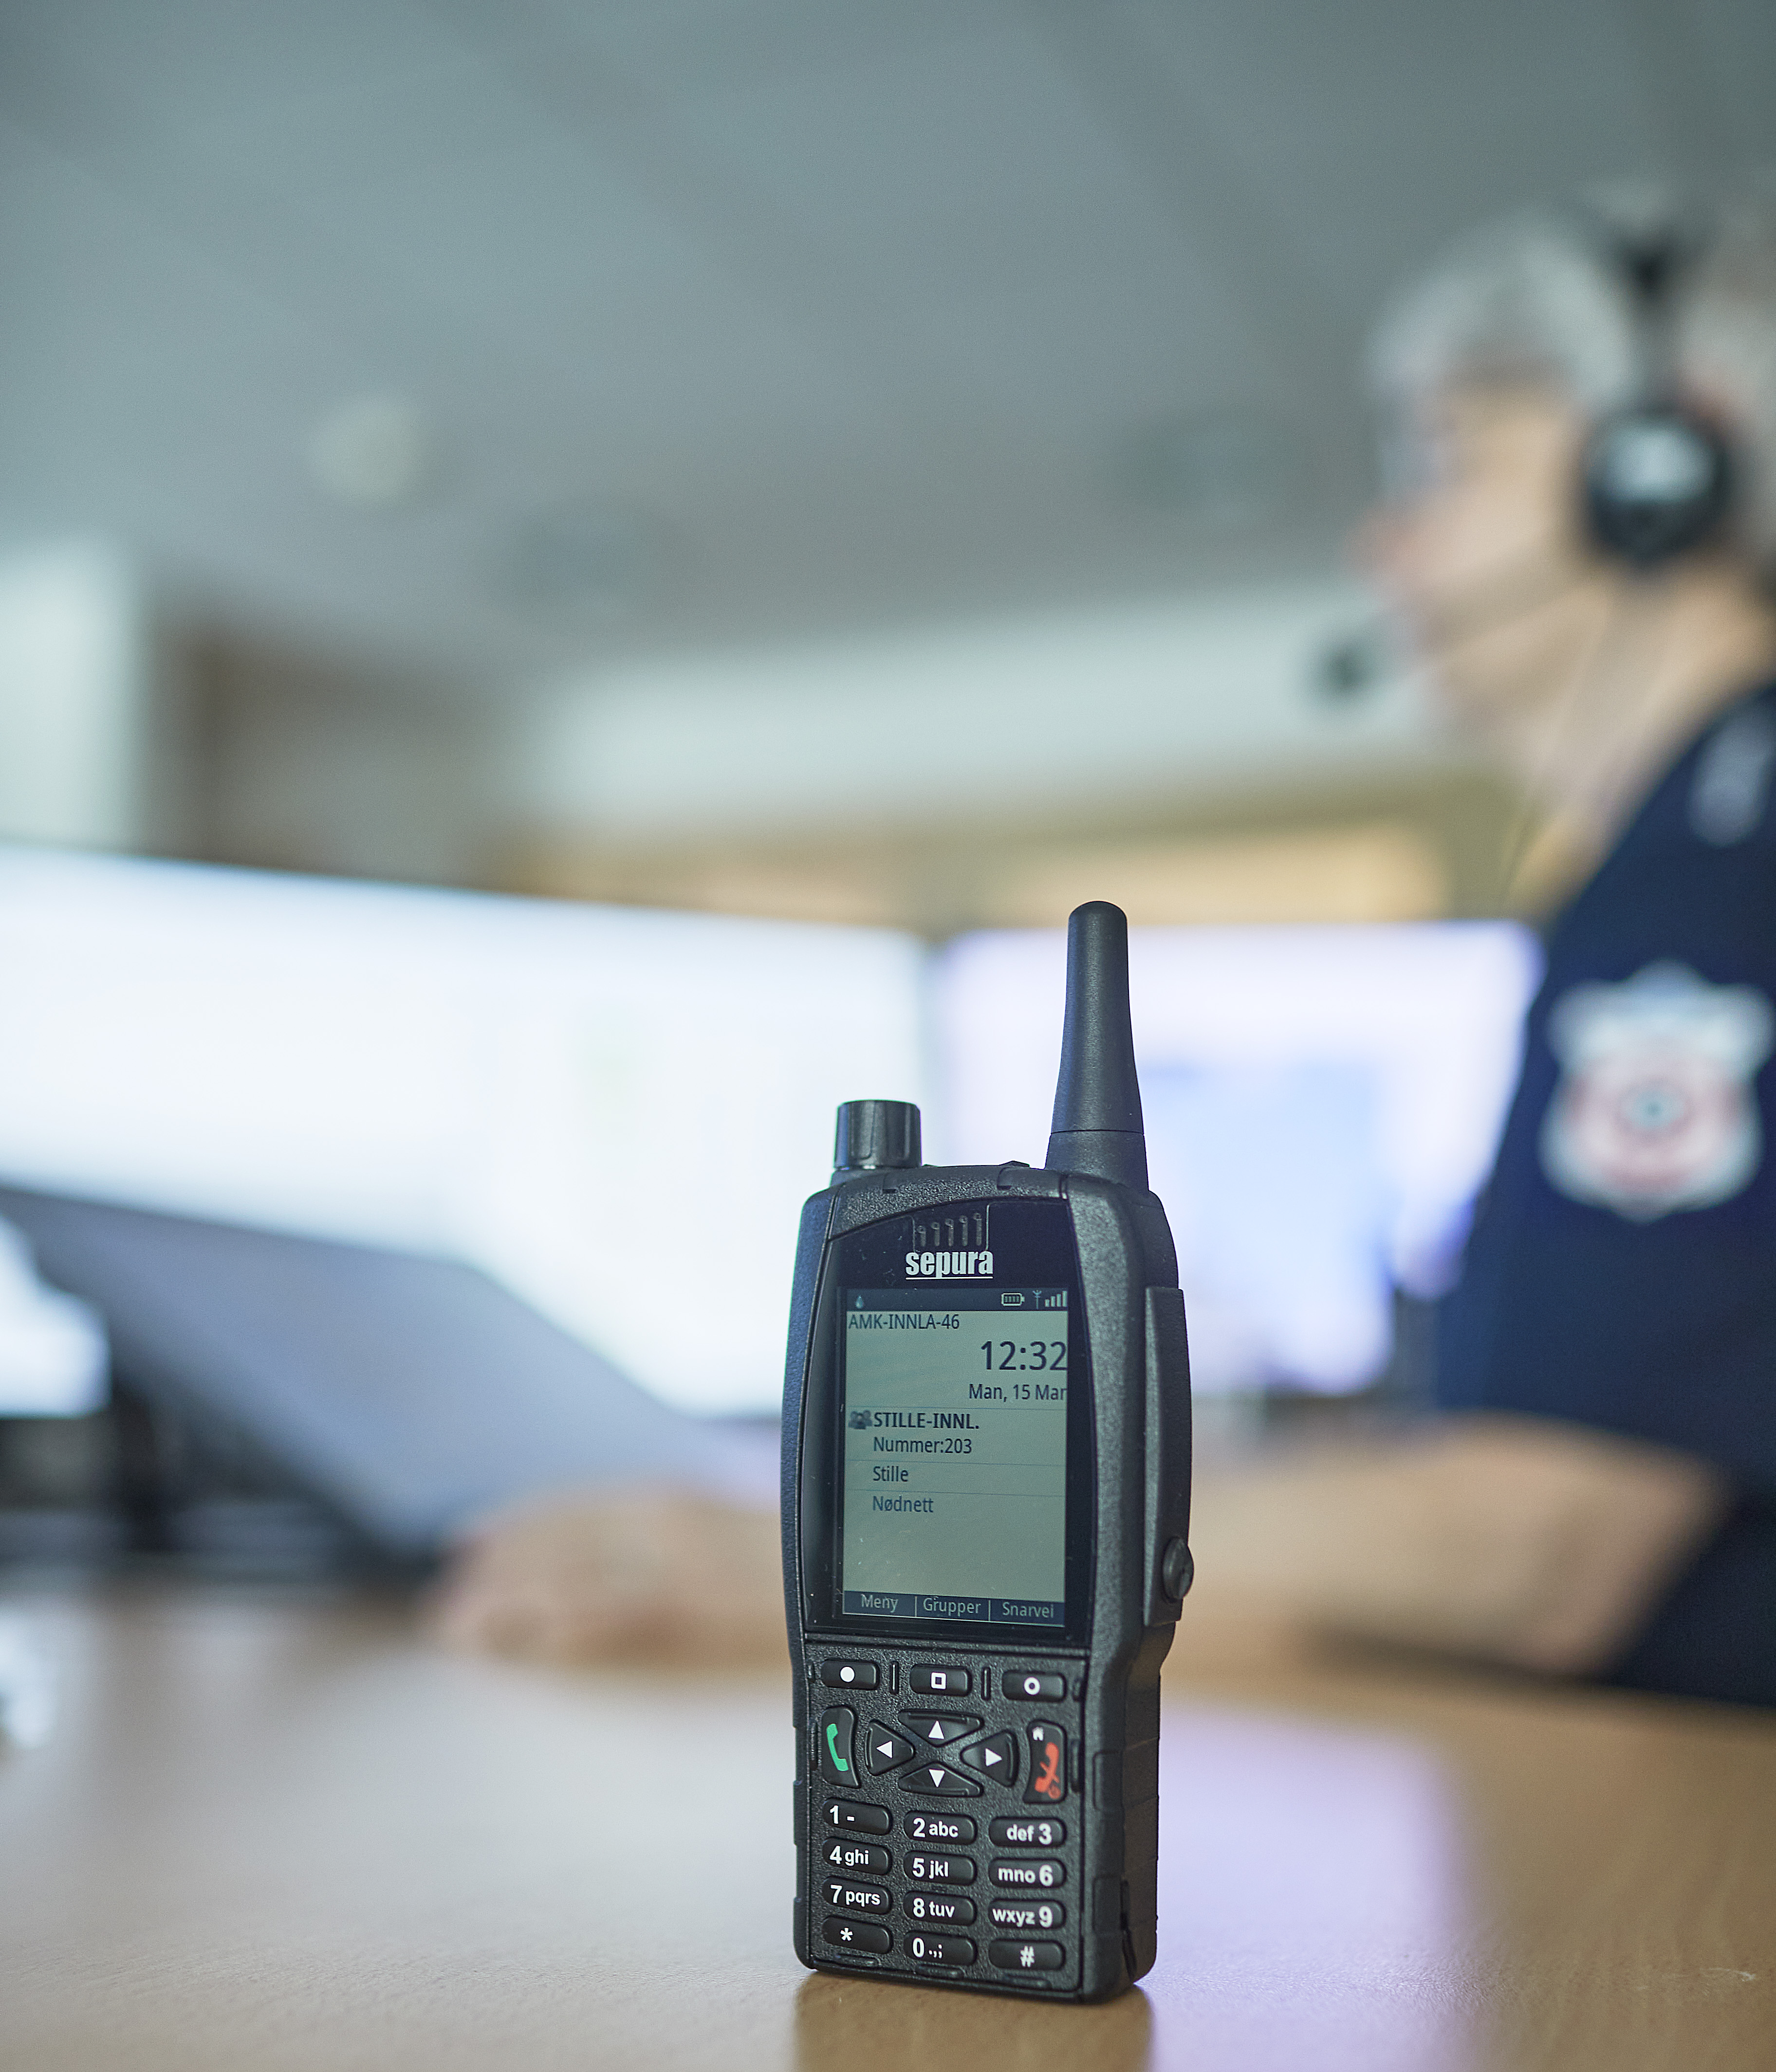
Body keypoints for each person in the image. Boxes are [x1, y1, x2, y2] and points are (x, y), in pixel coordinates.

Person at [436, 184, 1776, 1707]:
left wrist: (799, 1551)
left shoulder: (1715, 879)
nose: (1383, 540)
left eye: (1448, 463)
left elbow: (1544, 1553)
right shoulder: (1696, 851)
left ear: (1669, 466)